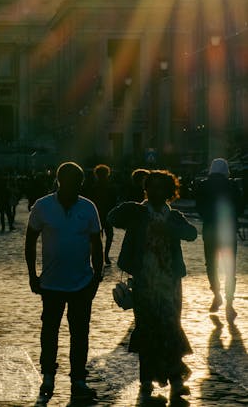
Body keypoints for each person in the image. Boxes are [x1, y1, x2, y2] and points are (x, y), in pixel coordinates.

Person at [108, 169, 197, 402]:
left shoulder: (173, 216)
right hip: (144, 281)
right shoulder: (138, 213)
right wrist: (130, 205)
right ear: (145, 189)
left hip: (170, 282)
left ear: (169, 191)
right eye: (151, 186)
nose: (156, 191)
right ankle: (146, 381)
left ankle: (176, 382)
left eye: (161, 187)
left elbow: (192, 234)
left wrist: (168, 228)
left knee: (171, 327)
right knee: (146, 329)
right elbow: (112, 218)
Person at [25, 161, 103, 403]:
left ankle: (78, 378)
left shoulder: (88, 208)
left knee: (80, 333)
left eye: (78, 182)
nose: (75, 186)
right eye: (70, 181)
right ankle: (48, 375)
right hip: (51, 282)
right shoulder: (43, 206)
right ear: (59, 181)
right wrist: (32, 274)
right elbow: (29, 241)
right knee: (50, 332)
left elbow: (96, 245)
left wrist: (97, 278)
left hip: (82, 282)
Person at [195, 157, 244, 320]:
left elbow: (199, 207)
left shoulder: (203, 185)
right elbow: (241, 206)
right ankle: (230, 303)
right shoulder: (232, 185)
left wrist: (209, 217)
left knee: (211, 264)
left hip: (210, 230)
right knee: (230, 267)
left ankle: (216, 294)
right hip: (228, 230)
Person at [85, 164, 117, 265]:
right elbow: (114, 202)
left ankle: (97, 255)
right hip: (108, 214)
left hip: (97, 214)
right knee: (109, 235)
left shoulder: (93, 188)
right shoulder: (111, 187)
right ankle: (105, 255)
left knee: (97, 237)